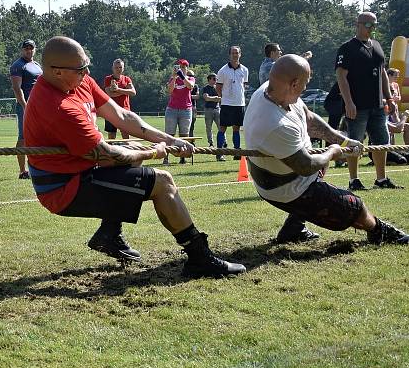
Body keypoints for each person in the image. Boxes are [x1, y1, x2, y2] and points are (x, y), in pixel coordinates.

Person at [23, 36, 245, 277]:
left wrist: (169, 140)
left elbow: (122, 115)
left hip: (82, 171)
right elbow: (105, 154)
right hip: (63, 188)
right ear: (56, 72)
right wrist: (153, 152)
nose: (86, 73)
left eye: (87, 66)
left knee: (134, 152)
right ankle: (200, 258)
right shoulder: (56, 106)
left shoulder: (79, 82)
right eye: (80, 69)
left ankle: (109, 233)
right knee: (162, 182)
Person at [243, 54, 409, 246]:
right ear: (293, 84)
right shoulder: (274, 123)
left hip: (286, 177)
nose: (306, 87)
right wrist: (333, 152)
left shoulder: (274, 90)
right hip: (283, 188)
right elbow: (306, 166)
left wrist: (342, 140)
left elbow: (308, 118)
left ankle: (294, 229)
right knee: (353, 205)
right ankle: (379, 231)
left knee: (321, 167)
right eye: (305, 83)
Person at [335, 12, 400, 190]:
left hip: (378, 106)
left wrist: (389, 98)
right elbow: (341, 76)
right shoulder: (347, 48)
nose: (372, 28)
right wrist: (348, 102)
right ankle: (353, 180)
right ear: (358, 24)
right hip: (357, 106)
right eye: (368, 25)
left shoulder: (377, 46)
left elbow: (383, 74)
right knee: (355, 142)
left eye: (375, 25)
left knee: (382, 140)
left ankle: (381, 179)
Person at [10, 39, 42, 179]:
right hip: (26, 107)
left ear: (35, 49)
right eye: (26, 48)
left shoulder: (37, 65)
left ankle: (38, 168)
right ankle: (23, 171)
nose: (29, 50)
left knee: (39, 137)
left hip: (40, 106)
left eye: (31, 48)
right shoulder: (18, 65)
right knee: (23, 138)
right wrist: (25, 105)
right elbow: (17, 88)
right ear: (22, 50)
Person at [215, 46, 249, 160]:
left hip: (239, 104)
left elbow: (244, 86)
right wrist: (224, 98)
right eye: (233, 53)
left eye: (237, 53)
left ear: (240, 54)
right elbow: (218, 87)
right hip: (226, 104)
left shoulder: (245, 70)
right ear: (229, 55)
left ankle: (237, 152)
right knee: (223, 128)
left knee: (236, 128)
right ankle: (219, 152)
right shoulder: (222, 70)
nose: (235, 55)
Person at [164, 59, 195, 165]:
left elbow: (190, 86)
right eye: (179, 67)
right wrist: (173, 77)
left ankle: (183, 158)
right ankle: (166, 157)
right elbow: (169, 90)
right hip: (172, 109)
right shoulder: (173, 78)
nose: (181, 69)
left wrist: (182, 76)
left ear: (187, 68)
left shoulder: (190, 78)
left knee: (184, 135)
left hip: (186, 110)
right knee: (169, 135)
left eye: (183, 67)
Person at [385, 68, 409, 164]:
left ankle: (408, 150)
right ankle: (388, 152)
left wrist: (399, 118)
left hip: (392, 111)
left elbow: (398, 124)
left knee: (407, 127)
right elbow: (397, 128)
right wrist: (405, 116)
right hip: (386, 116)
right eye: (395, 75)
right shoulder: (382, 105)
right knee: (402, 161)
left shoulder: (395, 86)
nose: (397, 77)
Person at [103, 59, 137, 140]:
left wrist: (118, 90)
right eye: (116, 67)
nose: (118, 69)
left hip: (124, 110)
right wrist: (125, 91)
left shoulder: (127, 79)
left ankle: (127, 151)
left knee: (125, 133)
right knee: (111, 135)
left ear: (123, 68)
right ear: (112, 68)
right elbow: (110, 94)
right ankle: (111, 152)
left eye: (120, 67)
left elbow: (133, 92)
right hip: (111, 110)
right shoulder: (108, 79)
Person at [201, 74, 224, 161]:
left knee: (221, 127)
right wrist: (215, 98)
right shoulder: (206, 88)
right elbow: (206, 98)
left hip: (217, 109)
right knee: (208, 127)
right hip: (208, 110)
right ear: (209, 79)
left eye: (216, 79)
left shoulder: (217, 87)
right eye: (214, 79)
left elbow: (220, 98)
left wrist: (213, 98)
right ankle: (211, 142)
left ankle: (223, 142)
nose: (216, 80)